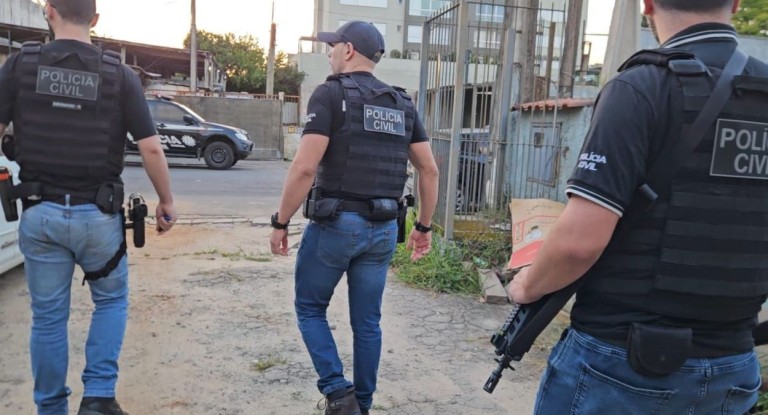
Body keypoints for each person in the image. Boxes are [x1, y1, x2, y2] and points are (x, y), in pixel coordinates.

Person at [507, 0, 768, 413]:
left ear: (646, 4)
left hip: (621, 365)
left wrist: (526, 286)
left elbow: (578, 243)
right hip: (732, 366)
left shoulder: (642, 87)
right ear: (736, 3)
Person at [0, 1, 176, 414]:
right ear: (95, 19)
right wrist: (166, 201)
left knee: (48, 318)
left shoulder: (20, 66)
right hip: (98, 217)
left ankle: (50, 409)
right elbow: (151, 147)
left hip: (40, 212)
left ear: (48, 11)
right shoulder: (119, 74)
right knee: (110, 302)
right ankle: (98, 397)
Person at [270, 21, 439, 415]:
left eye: (333, 46)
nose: (329, 52)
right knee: (367, 324)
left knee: (310, 308)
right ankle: (361, 404)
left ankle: (337, 391)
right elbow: (429, 170)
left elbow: (304, 168)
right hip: (383, 229)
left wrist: (281, 222)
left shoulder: (330, 94)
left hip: (336, 225)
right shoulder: (402, 103)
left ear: (347, 50)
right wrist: (424, 227)